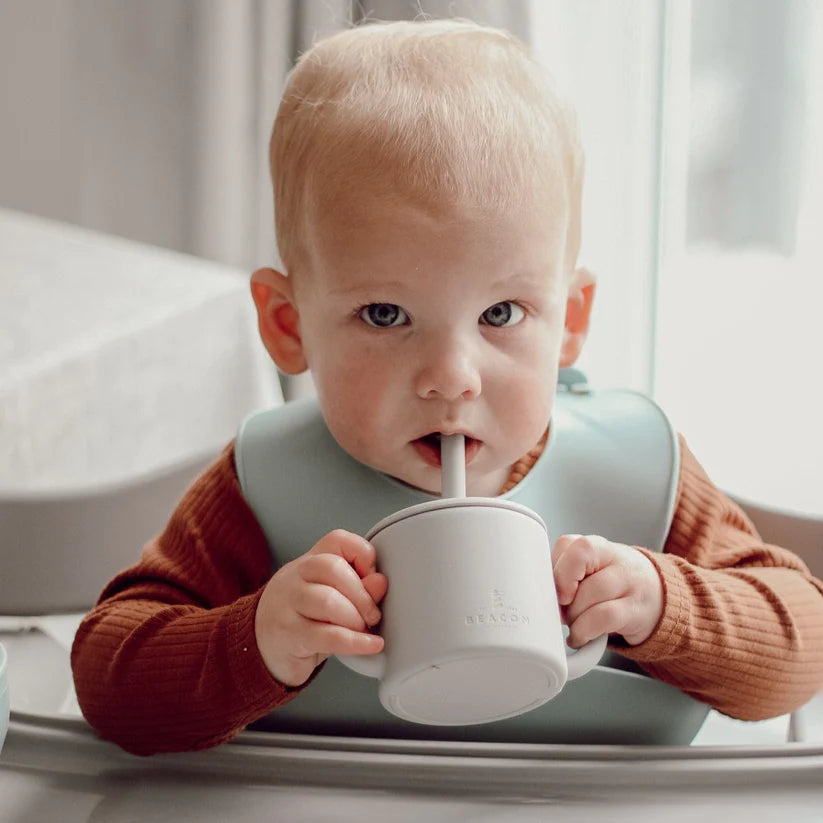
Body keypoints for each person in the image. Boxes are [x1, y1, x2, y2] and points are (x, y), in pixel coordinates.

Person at [71, 18, 823, 756]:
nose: (450, 377)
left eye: (500, 312)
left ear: (568, 320)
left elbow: (804, 641)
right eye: (385, 313)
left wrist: (662, 603)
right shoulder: (265, 484)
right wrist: (257, 637)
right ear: (289, 324)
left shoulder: (635, 467)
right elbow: (108, 676)